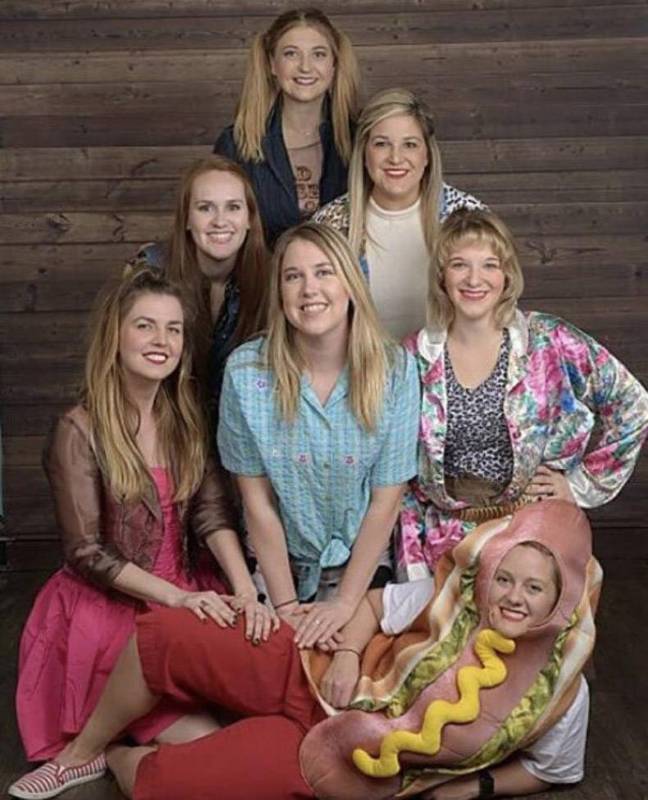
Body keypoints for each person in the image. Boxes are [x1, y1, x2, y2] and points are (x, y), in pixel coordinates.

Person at [8, 501, 600, 800]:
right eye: (504, 579)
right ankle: (84, 749)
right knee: (170, 632)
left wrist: (469, 788)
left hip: (337, 759)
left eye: (533, 588)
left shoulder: (562, 690)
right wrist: (346, 656)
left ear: (561, 598)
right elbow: (373, 605)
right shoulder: (451, 594)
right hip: (308, 667)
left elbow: (554, 770)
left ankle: (117, 754)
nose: (512, 597)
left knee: (167, 785)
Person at [12, 269, 275, 784]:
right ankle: (102, 753)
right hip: (112, 603)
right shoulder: (78, 429)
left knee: (252, 718)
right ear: (115, 335)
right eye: (145, 326)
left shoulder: (184, 420)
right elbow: (87, 552)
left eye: (173, 329)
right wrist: (176, 599)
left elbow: (211, 514)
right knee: (208, 745)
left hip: (188, 588)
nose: (162, 340)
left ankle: (123, 750)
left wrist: (246, 590)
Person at [397, 208, 648, 580]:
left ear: (507, 275)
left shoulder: (547, 339)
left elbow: (633, 404)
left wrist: (579, 485)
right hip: (443, 541)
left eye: (490, 265)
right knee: (438, 619)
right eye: (459, 265)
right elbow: (391, 464)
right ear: (441, 276)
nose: (474, 279)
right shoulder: (415, 356)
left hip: (534, 531)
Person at [217, 220, 419, 651]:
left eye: (324, 272)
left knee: (355, 674)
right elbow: (257, 503)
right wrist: (287, 607)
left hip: (364, 570)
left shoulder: (396, 370)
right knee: (278, 666)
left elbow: (385, 502)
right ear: (280, 293)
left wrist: (345, 603)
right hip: (279, 569)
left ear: (350, 284)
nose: (309, 289)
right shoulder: (245, 373)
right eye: (293, 276)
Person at [314, 88, 483, 339]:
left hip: (448, 362)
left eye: (410, 145)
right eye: (381, 144)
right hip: (361, 361)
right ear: (364, 153)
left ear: (427, 155)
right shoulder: (330, 224)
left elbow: (496, 306)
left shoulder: (467, 217)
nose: (395, 158)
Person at [130, 155, 269, 422]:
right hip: (162, 421)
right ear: (186, 219)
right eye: (205, 208)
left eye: (233, 207)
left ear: (250, 218)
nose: (220, 221)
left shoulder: (274, 277)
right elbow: (120, 362)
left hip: (244, 424)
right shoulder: (152, 270)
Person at [214, 8, 359, 244]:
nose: (305, 67)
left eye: (319, 54)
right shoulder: (235, 144)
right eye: (291, 54)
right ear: (272, 64)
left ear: (334, 64)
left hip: (343, 268)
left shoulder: (361, 139)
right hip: (262, 268)